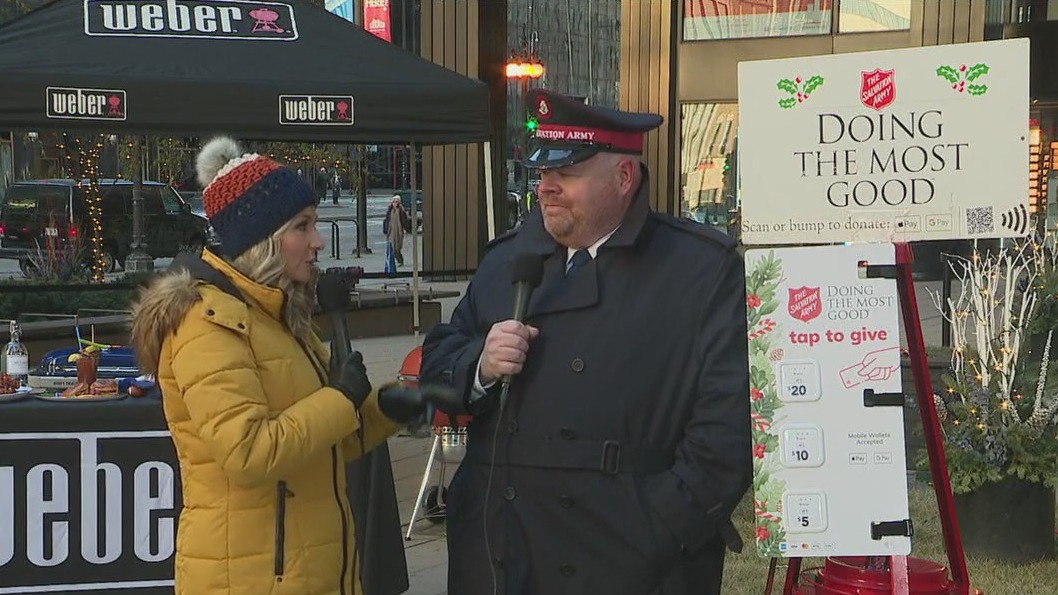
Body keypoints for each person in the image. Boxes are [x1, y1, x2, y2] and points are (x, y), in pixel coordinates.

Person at [421, 89, 752, 595]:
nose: (546, 188)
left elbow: (729, 428)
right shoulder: (508, 261)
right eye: (542, 174)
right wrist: (481, 367)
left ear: (624, 177)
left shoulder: (699, 268)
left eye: (567, 173)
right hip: (501, 552)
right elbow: (439, 363)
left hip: (630, 558)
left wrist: (659, 528)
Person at [130, 137, 431, 595]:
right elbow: (249, 454)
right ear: (262, 241)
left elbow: (325, 441)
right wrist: (339, 397)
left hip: (309, 571)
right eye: (303, 227)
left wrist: (387, 407)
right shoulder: (205, 323)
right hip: (248, 578)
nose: (317, 243)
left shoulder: (281, 316)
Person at [382, 194, 411, 267]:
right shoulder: (390, 210)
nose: (395, 203)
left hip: (399, 232)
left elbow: (404, 221)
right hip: (391, 231)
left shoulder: (401, 210)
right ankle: (397, 260)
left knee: (397, 248)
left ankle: (400, 260)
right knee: (392, 247)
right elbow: (387, 220)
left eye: (396, 202)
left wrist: (406, 229)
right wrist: (385, 229)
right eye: (394, 202)